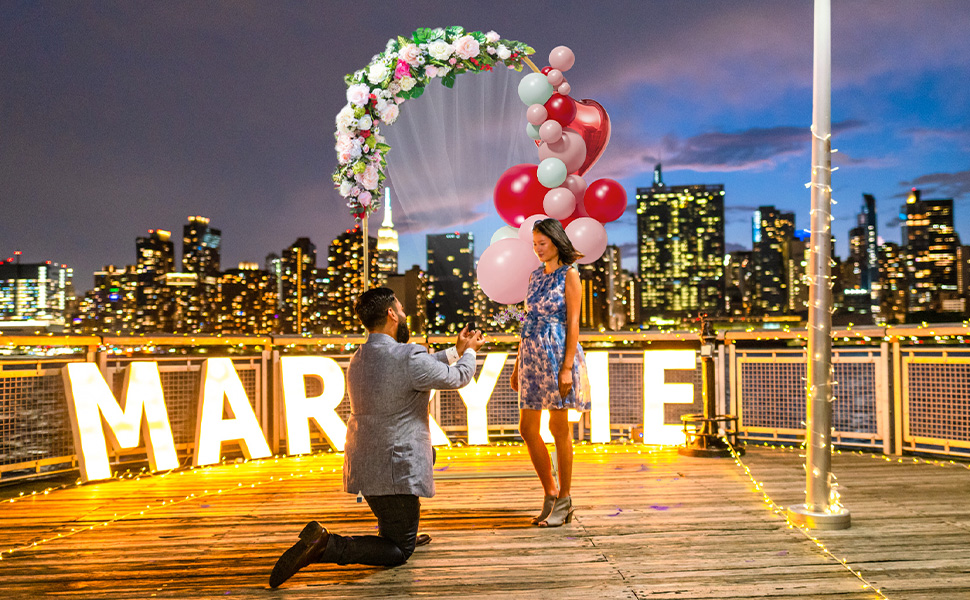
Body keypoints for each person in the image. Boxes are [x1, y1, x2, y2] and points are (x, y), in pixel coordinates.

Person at [270, 287, 485, 588]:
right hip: (395, 465)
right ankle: (326, 545)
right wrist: (471, 351)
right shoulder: (408, 356)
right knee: (400, 550)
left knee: (423, 466)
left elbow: (417, 364)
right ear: (391, 314)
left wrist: (454, 351)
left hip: (364, 462)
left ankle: (398, 528)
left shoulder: (360, 356)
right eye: (400, 306)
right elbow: (459, 377)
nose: (404, 312)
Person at [511, 218, 590, 528]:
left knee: (559, 428)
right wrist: (518, 363)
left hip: (557, 354)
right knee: (527, 427)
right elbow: (527, 321)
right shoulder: (533, 277)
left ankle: (566, 498)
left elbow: (573, 323)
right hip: (531, 354)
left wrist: (567, 367)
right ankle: (550, 491)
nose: (537, 249)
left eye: (541, 243)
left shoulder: (569, 275)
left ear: (556, 243)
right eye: (534, 244)